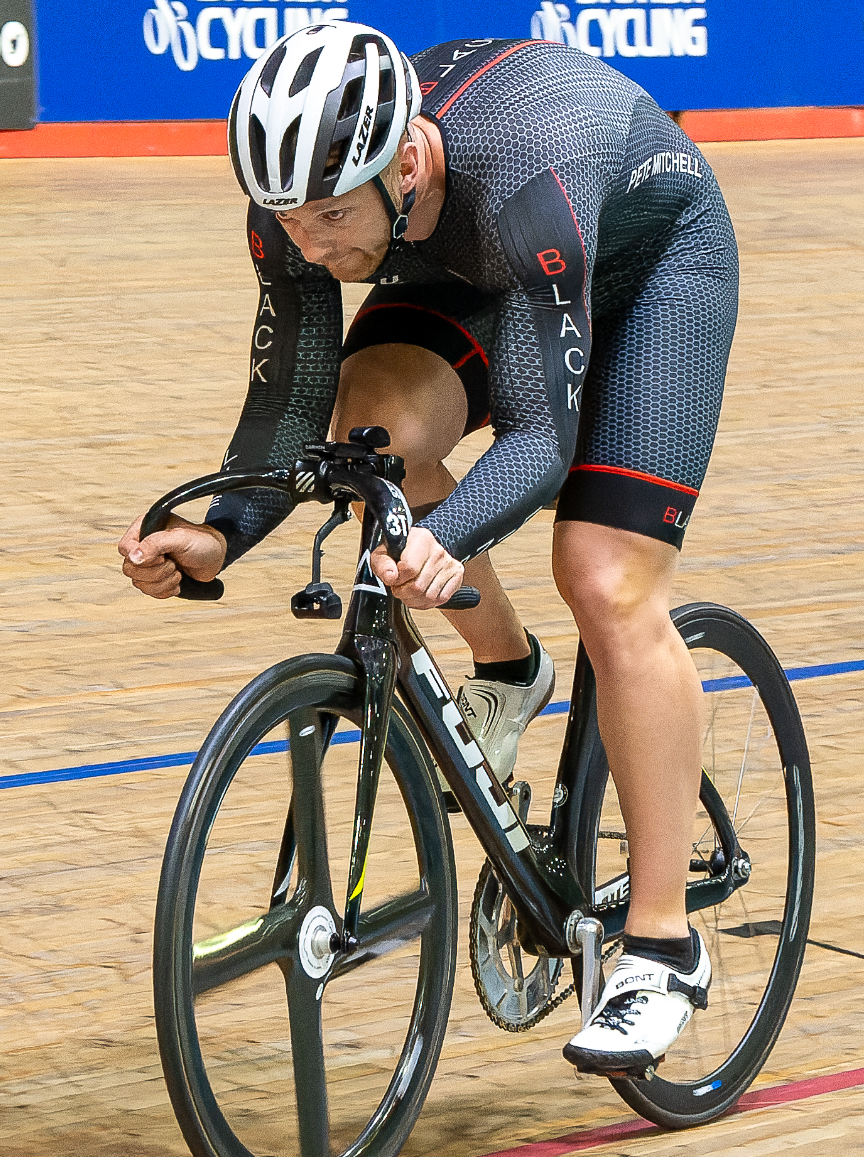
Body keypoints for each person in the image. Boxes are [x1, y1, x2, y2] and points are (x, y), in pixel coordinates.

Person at [118, 24, 737, 1076]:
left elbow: (542, 439)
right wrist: (216, 532)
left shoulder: (525, 166)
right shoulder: (309, 215)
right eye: (285, 220)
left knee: (601, 575)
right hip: (480, 269)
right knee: (372, 443)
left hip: (646, 269)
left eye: (328, 217)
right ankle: (509, 670)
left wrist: (445, 537)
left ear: (405, 162)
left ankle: (663, 948)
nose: (308, 247)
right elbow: (289, 407)